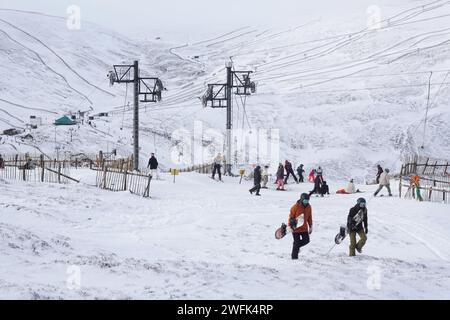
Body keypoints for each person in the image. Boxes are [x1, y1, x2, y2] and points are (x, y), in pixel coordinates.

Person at [288, 193, 313, 259]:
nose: (306, 202)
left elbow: (309, 217)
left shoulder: (309, 207)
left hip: (304, 228)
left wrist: (310, 226)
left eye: (307, 201)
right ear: (301, 199)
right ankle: (294, 258)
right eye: (305, 201)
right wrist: (290, 225)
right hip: (296, 229)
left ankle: (296, 247)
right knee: (296, 243)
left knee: (306, 240)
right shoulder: (295, 207)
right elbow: (290, 217)